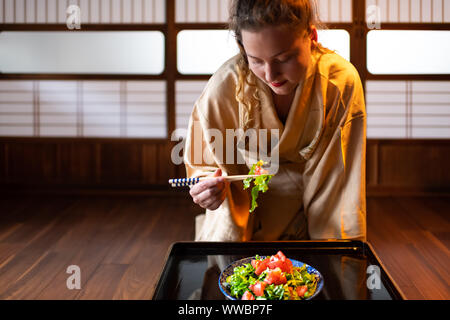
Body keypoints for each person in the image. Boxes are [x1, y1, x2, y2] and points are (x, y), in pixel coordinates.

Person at [184, 0, 366, 242]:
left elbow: (339, 180)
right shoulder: (225, 87)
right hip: (245, 205)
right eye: (256, 60)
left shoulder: (339, 83)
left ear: (312, 37)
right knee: (229, 273)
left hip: (317, 205)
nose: (271, 75)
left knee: (328, 269)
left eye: (284, 58)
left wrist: (329, 252)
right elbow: (205, 166)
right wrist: (207, 186)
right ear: (242, 47)